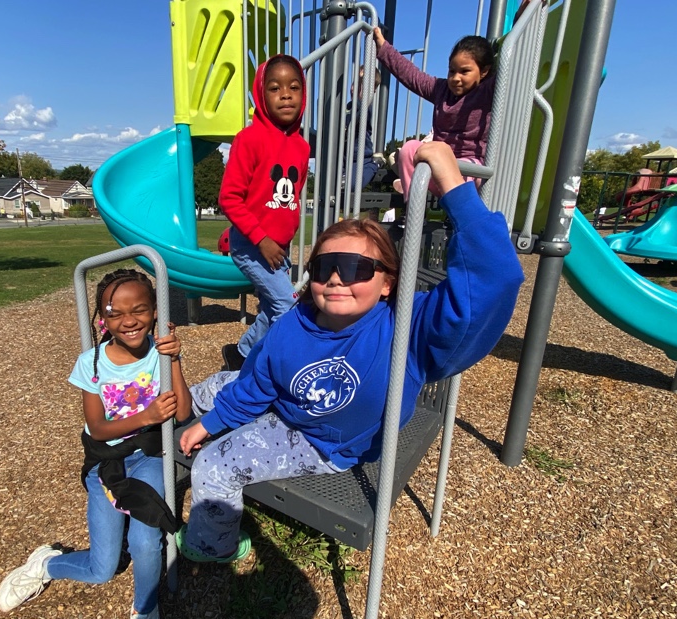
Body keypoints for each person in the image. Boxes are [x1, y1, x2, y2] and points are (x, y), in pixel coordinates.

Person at [174, 142, 524, 563]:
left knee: (213, 465)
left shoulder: (405, 329)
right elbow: (257, 382)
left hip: (321, 442)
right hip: (288, 401)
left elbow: (495, 277)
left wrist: (451, 180)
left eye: (357, 268)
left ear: (388, 283)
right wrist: (213, 419)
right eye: (325, 266)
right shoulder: (293, 324)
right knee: (217, 385)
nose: (337, 278)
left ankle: (211, 547)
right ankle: (143, 418)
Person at [0, 268, 192, 619]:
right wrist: (146, 414)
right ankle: (45, 564)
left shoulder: (161, 352)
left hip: (151, 456)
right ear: (103, 319)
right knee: (103, 570)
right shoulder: (93, 363)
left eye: (139, 309)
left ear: (155, 311)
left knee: (143, 541)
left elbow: (184, 411)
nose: (129, 320)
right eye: (116, 314)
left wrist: (173, 359)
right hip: (107, 462)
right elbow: (99, 428)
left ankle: (146, 616)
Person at [219, 54, 311, 371]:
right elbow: (229, 198)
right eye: (274, 88)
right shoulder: (249, 139)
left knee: (272, 309)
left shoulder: (301, 147)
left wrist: (283, 239)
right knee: (288, 306)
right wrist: (262, 239)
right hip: (251, 243)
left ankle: (241, 352)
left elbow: (290, 198)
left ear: (304, 94)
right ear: (261, 94)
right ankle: (271, 363)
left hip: (277, 248)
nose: (286, 94)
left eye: (294, 87)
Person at [375, 29, 496, 198]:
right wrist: (383, 47)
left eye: (464, 71)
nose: (455, 78)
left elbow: (514, 63)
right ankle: (414, 208)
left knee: (467, 175)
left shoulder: (486, 92)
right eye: (452, 71)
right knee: (409, 149)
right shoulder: (441, 89)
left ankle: (459, 213)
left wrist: (520, 19)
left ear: (483, 72)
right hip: (438, 162)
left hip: (467, 168)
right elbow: (411, 75)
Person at [345, 66, 383, 190]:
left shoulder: (366, 107)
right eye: (354, 84)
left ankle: (376, 164)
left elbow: (359, 109)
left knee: (353, 184)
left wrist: (362, 78)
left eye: (362, 86)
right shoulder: (347, 108)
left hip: (362, 159)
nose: (355, 89)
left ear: (373, 92)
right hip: (345, 157)